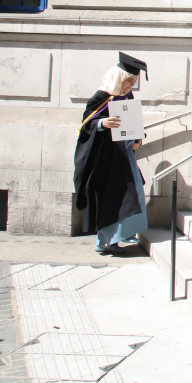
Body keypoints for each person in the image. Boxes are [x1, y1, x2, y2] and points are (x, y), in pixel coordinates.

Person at [73, 53, 150, 254]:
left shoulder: (127, 96)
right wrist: (102, 123)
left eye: (134, 81)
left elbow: (133, 121)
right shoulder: (102, 96)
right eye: (129, 81)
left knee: (134, 190)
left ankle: (125, 233)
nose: (132, 85)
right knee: (112, 196)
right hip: (105, 157)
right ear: (118, 78)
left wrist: (137, 139)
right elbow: (86, 125)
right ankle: (105, 242)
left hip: (124, 154)